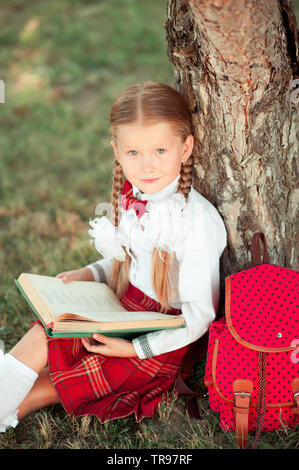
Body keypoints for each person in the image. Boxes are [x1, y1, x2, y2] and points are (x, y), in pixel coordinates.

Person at [0, 81, 227, 432]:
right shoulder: (132, 196)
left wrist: (134, 351)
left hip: (159, 337)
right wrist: (89, 273)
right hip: (122, 311)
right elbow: (131, 261)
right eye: (133, 153)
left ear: (185, 147)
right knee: (43, 336)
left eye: (160, 151)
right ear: (117, 152)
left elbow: (199, 317)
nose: (147, 165)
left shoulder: (196, 223)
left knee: (43, 389)